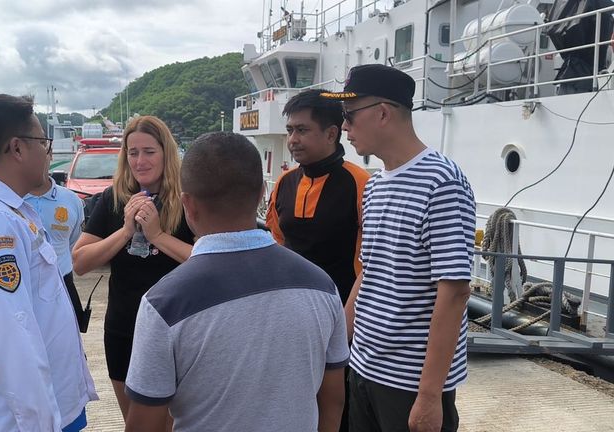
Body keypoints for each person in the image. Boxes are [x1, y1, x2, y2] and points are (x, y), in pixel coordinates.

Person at [124, 132, 348, 432]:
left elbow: (144, 425)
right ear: (262, 193)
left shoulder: (164, 303)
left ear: (188, 205)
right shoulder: (322, 285)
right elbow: (333, 401)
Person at [322, 64, 475, 432]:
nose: (344, 126)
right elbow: (369, 273)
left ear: (382, 113)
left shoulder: (442, 182)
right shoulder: (375, 186)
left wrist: (429, 396)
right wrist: (335, 344)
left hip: (410, 384)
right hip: (364, 367)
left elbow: (454, 291)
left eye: (349, 114)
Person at [0, 93, 97, 431]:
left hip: (54, 405)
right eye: (43, 142)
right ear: (17, 148)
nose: (47, 152)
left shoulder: (11, 209)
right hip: (21, 420)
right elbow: (12, 338)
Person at [72, 115, 193, 421]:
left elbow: (207, 259)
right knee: (136, 424)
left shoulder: (187, 200)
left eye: (149, 152)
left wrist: (158, 236)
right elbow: (80, 262)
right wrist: (126, 231)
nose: (140, 161)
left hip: (177, 328)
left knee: (175, 423)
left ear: (166, 153)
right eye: (133, 152)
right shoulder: (113, 199)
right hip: (125, 327)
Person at [266, 88, 370, 432]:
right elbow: (277, 246)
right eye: (290, 130)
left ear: (331, 133)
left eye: (302, 130)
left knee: (340, 411)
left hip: (344, 319)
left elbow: (368, 264)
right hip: (292, 319)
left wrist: (344, 327)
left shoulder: (361, 184)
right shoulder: (285, 183)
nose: (292, 140)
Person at [25, 162, 86, 328]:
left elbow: (74, 241)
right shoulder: (12, 199)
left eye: (43, 150)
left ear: (50, 154)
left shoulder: (71, 200)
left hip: (63, 283)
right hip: (25, 287)